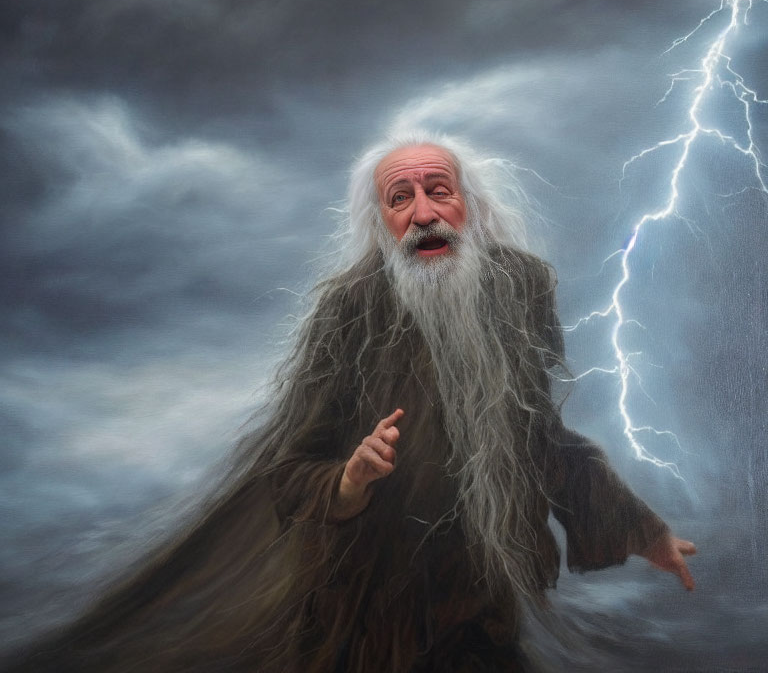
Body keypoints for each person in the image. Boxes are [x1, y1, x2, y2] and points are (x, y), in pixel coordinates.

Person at [8, 132, 696, 673]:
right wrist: (350, 477)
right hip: (367, 595)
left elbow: (540, 436)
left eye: (438, 190)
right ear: (383, 222)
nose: (424, 213)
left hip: (477, 591)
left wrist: (641, 531)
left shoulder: (521, 289)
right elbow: (291, 466)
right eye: (401, 198)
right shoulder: (349, 309)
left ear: (471, 206)